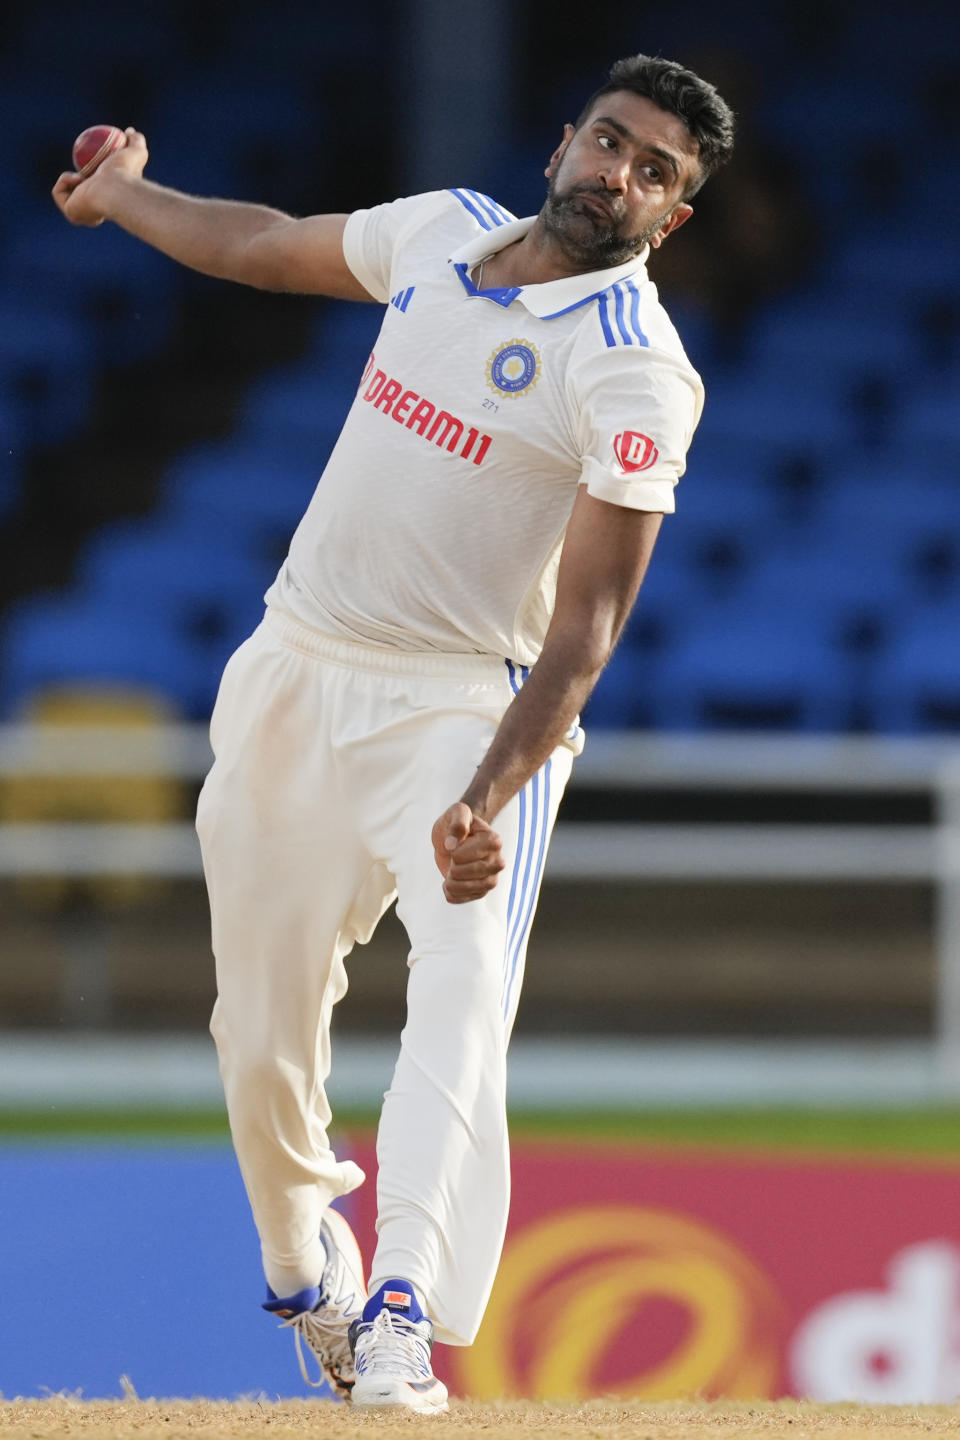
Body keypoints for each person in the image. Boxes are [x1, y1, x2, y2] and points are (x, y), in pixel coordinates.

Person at [53, 53, 734, 1414]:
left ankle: (409, 1309)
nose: (620, 174)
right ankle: (312, 1271)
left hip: (462, 706)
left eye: (657, 172)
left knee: (467, 989)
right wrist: (127, 196)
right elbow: (260, 244)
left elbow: (588, 632)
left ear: (675, 217)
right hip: (296, 669)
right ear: (566, 139)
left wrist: (488, 792)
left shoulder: (638, 374)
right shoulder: (441, 232)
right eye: (612, 142)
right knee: (257, 1028)